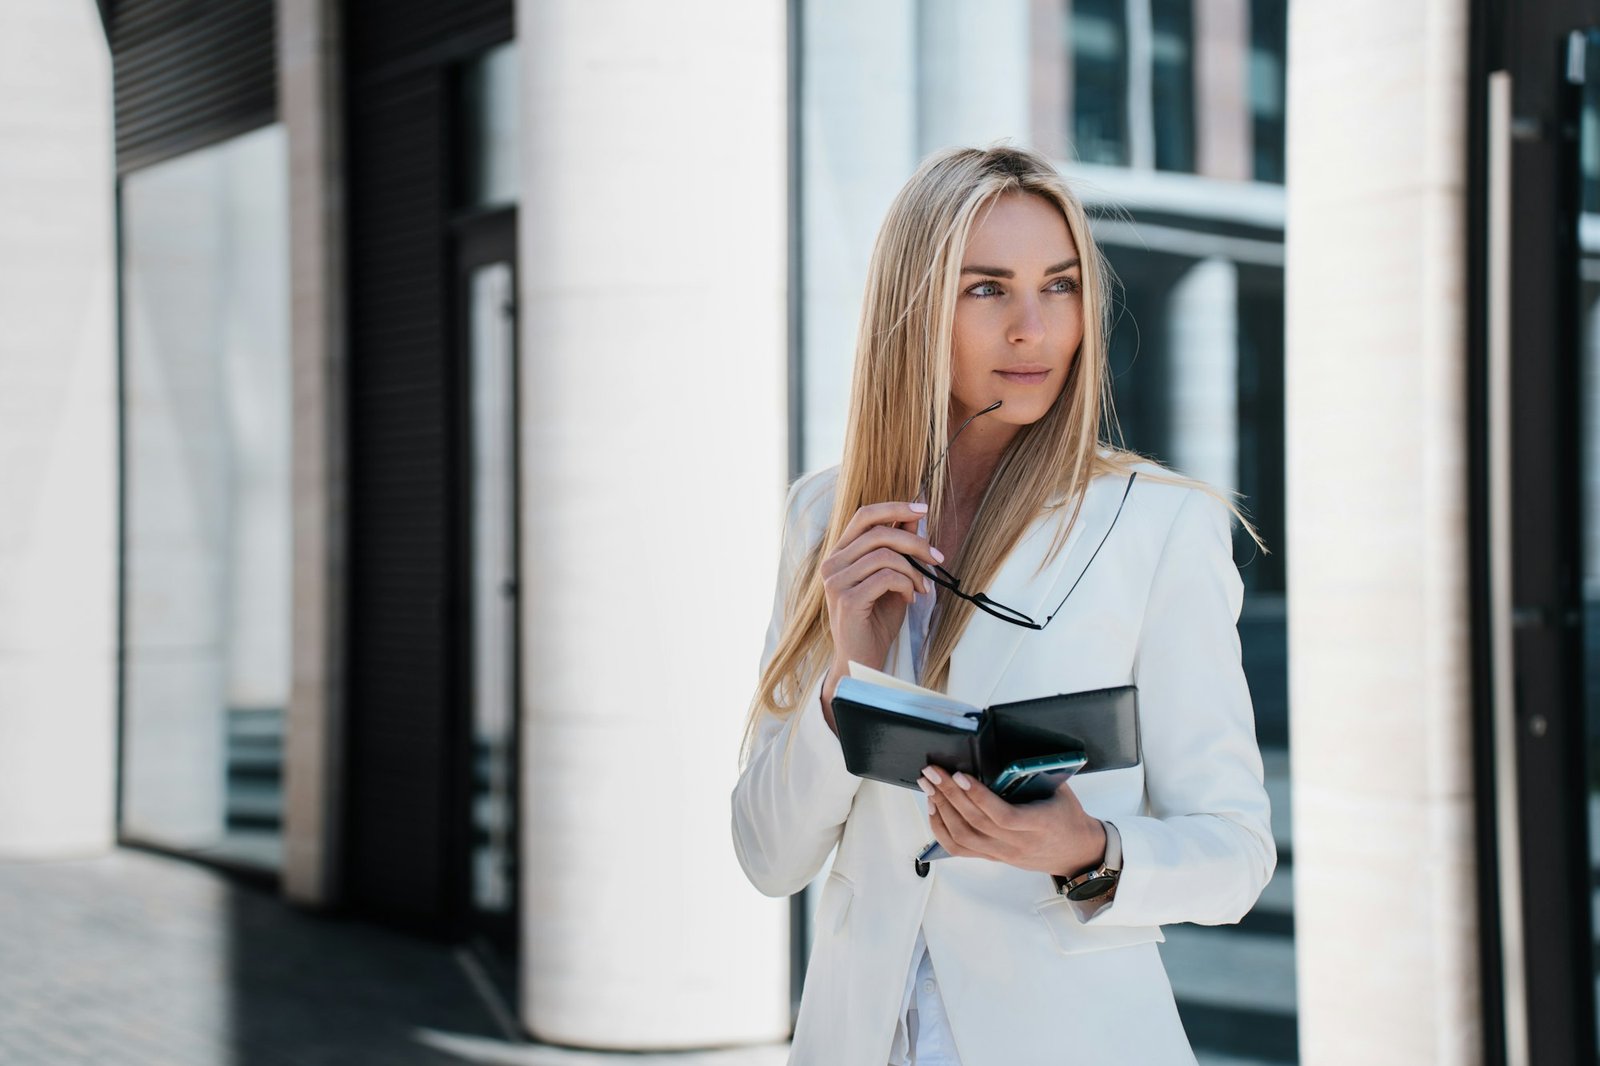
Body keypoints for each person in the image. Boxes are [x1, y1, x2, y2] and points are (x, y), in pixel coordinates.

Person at [729, 144, 1276, 1066]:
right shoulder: (828, 516)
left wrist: (1087, 847)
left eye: (1059, 286)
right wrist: (844, 681)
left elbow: (1235, 852)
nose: (1035, 328)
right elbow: (767, 856)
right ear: (915, 309)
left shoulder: (1158, 526)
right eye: (988, 289)